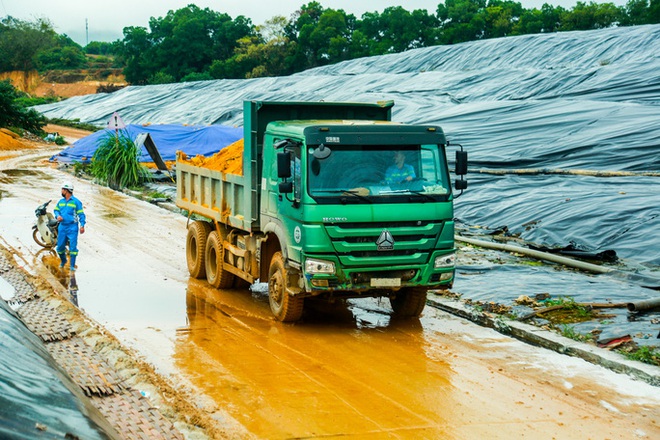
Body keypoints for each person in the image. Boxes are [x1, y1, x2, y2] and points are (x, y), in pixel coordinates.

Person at [54, 182, 86, 271]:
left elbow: (81, 214)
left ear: (67, 190)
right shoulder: (61, 202)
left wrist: (82, 225)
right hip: (62, 227)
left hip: (72, 227)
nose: (61, 191)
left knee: (72, 248)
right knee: (60, 247)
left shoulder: (76, 202)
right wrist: (57, 216)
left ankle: (72, 266)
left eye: (62, 189)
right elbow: (56, 210)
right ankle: (63, 260)